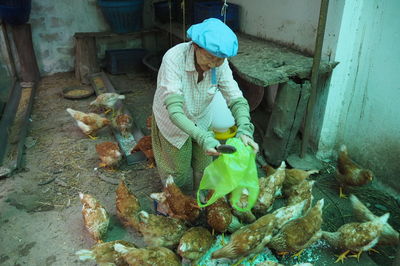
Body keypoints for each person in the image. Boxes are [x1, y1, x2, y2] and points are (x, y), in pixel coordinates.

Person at [151, 18, 259, 194]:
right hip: (173, 122)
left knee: (204, 165)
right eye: (209, 57)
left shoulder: (219, 64)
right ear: (195, 46)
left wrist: (245, 128)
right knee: (178, 172)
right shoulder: (173, 58)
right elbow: (175, 112)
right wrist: (202, 138)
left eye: (220, 60)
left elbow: (235, 98)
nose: (213, 64)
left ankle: (200, 199)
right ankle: (182, 205)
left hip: (201, 117)